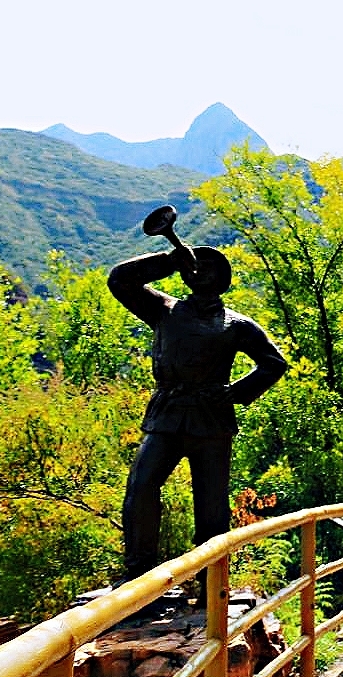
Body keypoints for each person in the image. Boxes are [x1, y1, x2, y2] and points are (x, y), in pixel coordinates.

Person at [108, 244, 287, 580]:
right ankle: (139, 573)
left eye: (209, 266)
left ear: (223, 278)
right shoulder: (163, 309)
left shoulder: (237, 324)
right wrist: (166, 261)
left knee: (211, 505)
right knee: (142, 486)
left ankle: (212, 578)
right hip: (167, 413)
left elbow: (273, 363)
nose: (199, 270)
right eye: (194, 264)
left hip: (211, 418)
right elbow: (120, 280)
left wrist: (234, 393)